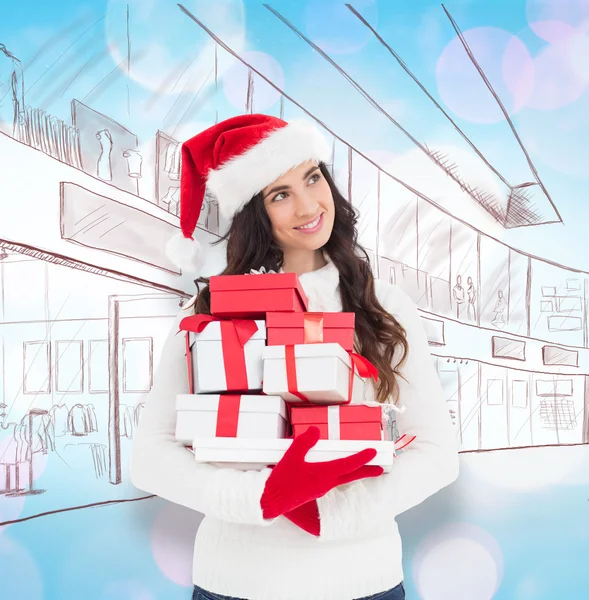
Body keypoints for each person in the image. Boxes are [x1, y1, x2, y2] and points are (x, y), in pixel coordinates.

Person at [130, 114, 459, 600]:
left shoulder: (383, 307)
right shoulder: (210, 314)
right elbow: (149, 458)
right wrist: (259, 499)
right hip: (236, 582)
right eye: (279, 194)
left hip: (363, 581)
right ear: (253, 214)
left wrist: (330, 513)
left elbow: (437, 454)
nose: (308, 205)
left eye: (312, 177)